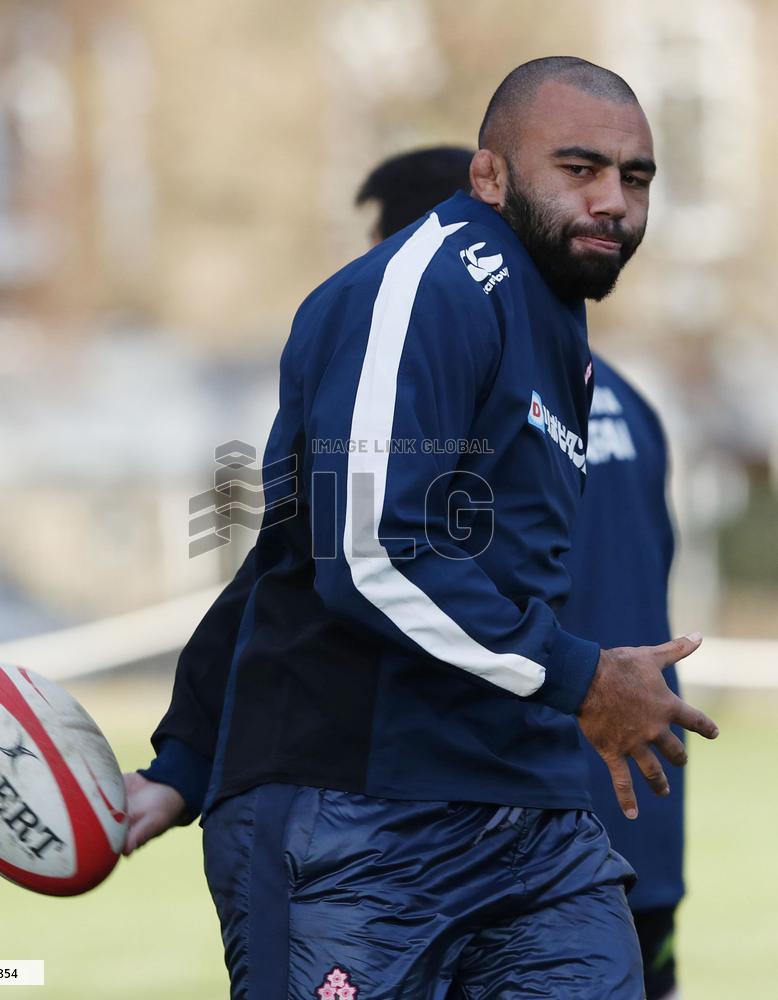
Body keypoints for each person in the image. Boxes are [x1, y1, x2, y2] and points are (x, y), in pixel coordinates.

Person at [125, 57, 718, 998]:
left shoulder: (557, 323)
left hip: (531, 821)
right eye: (580, 169)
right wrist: (586, 677)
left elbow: (299, 541)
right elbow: (361, 553)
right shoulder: (429, 285)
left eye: (635, 177)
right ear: (489, 176)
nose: (613, 200)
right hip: (358, 819)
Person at [356, 146, 685, 1000]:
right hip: (639, 831)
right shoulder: (630, 405)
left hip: (500, 838)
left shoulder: (451, 404)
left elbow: (382, 576)